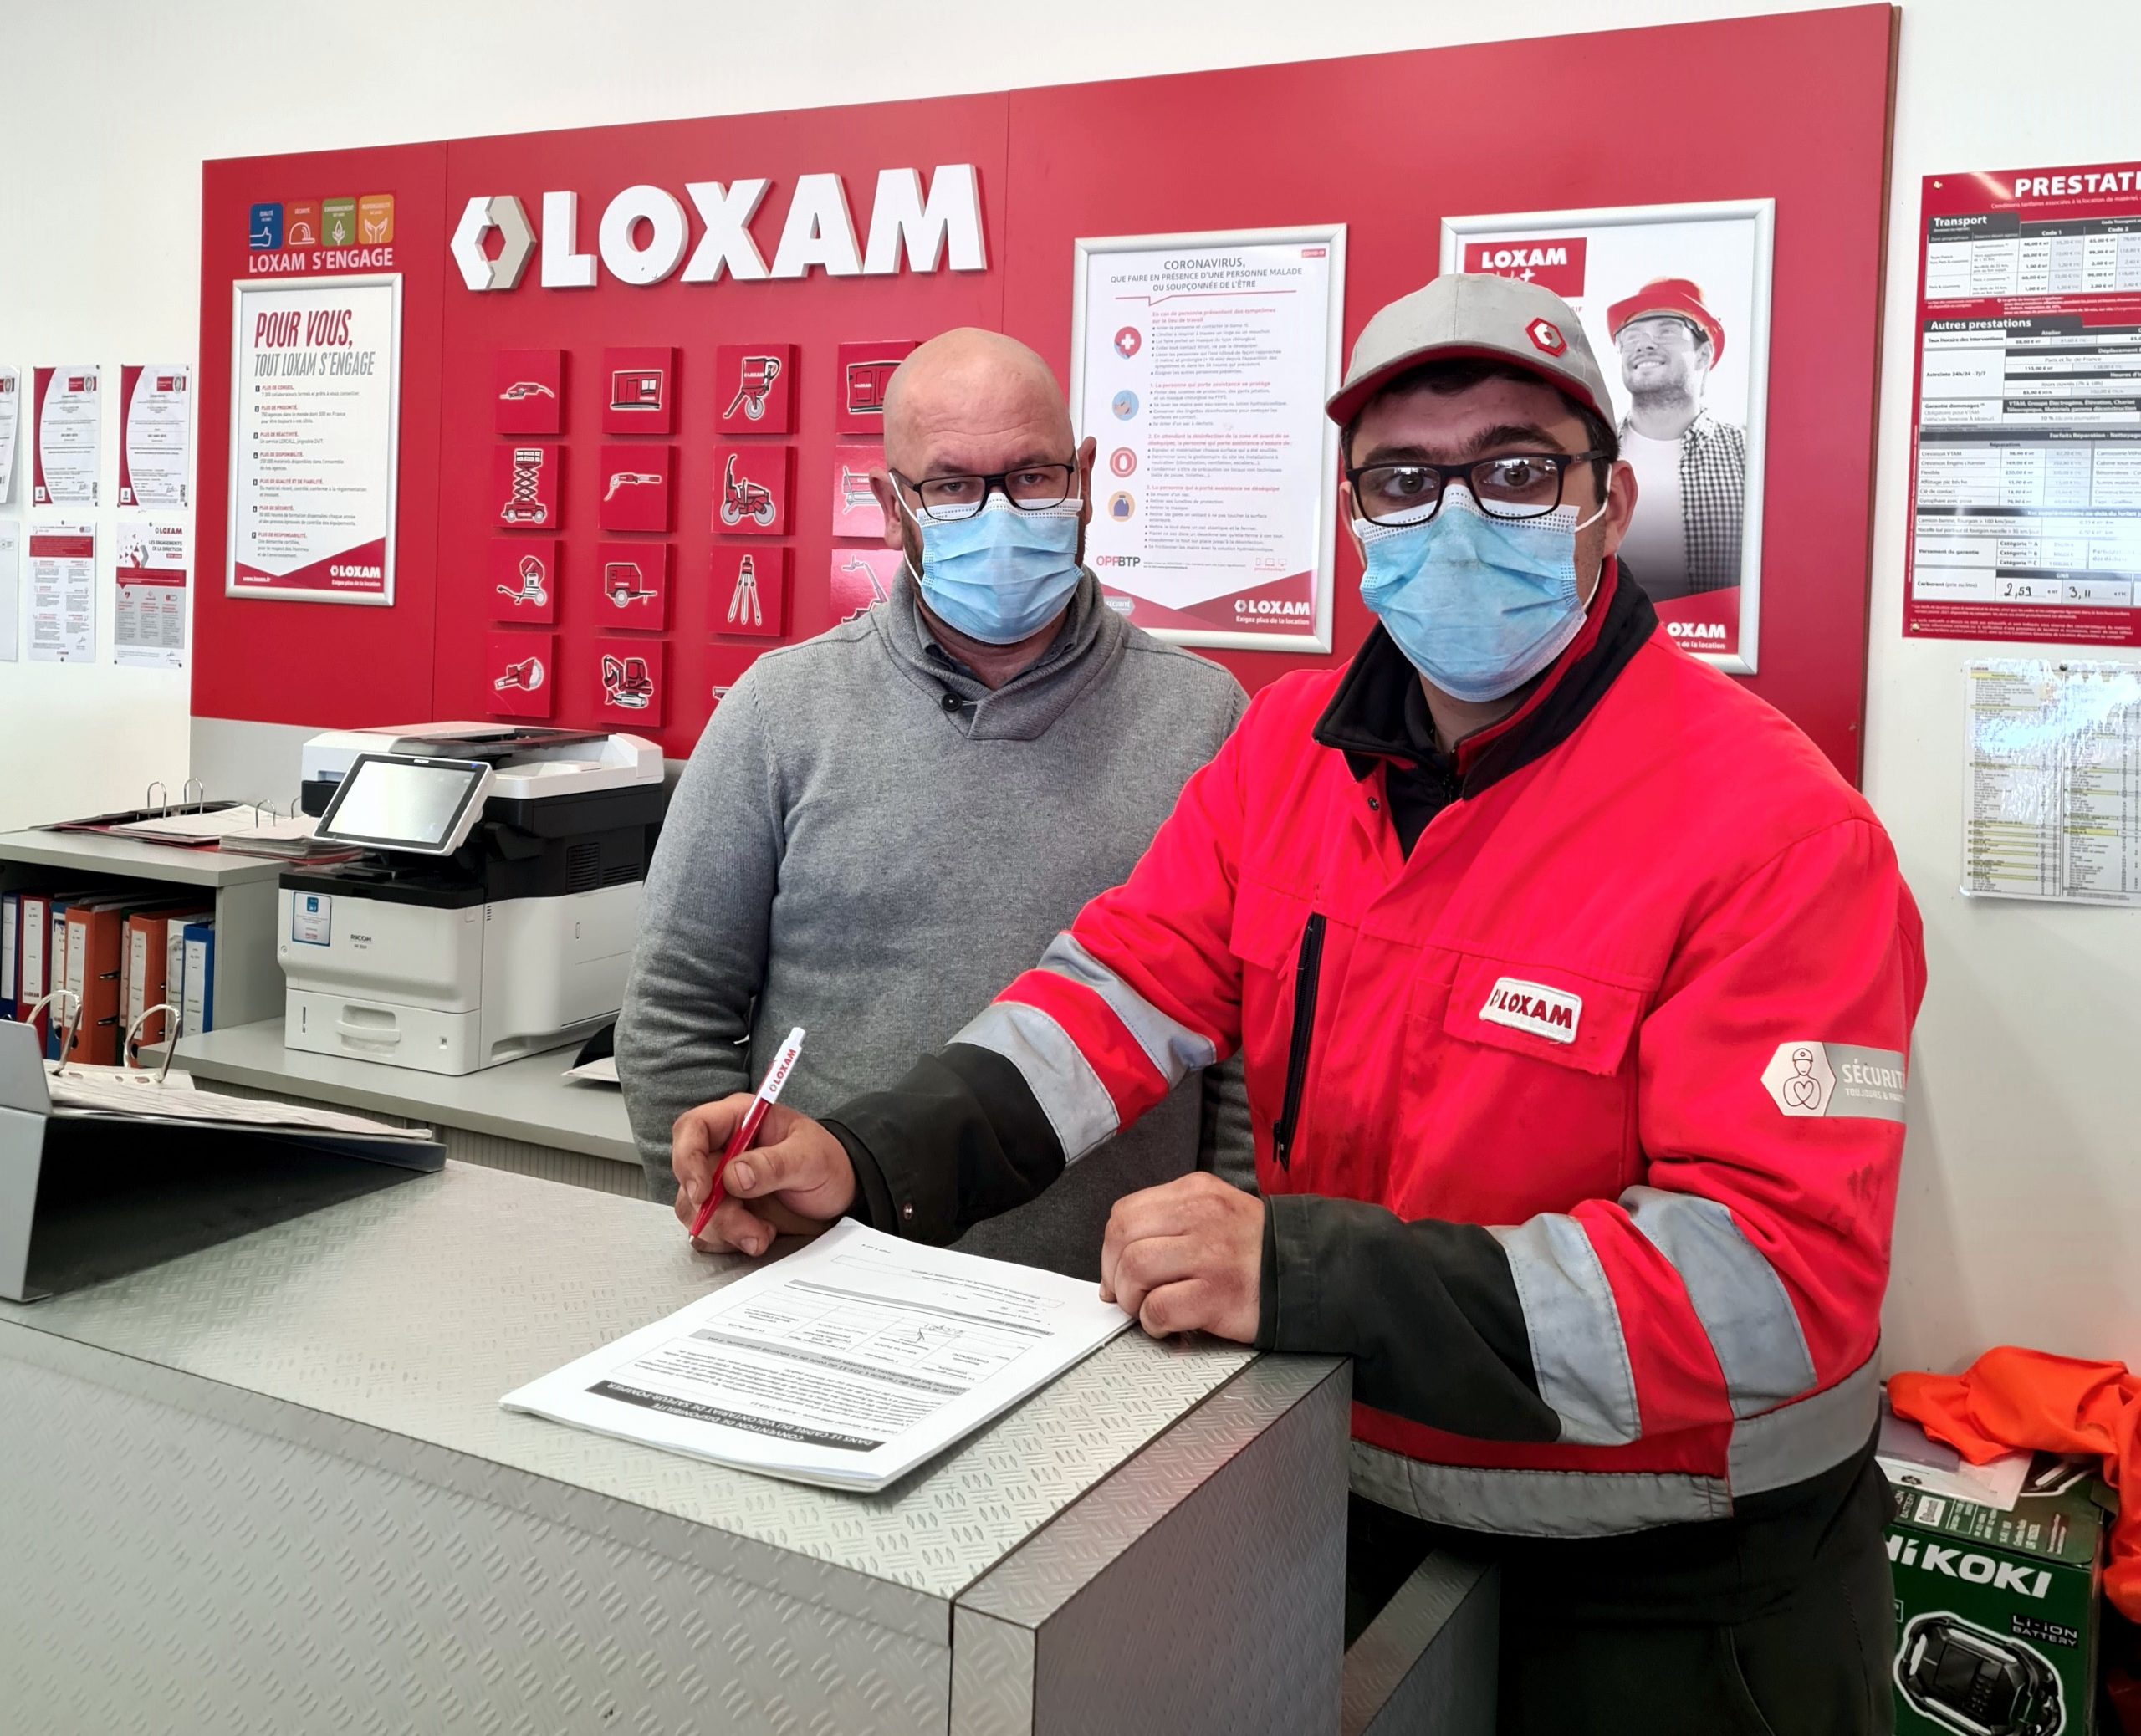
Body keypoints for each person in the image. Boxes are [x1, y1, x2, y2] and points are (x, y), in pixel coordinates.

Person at [671, 274, 1924, 1733]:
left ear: (1609, 501)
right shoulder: (1290, 755)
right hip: (1352, 1509)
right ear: (1355, 517)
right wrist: (865, 1157)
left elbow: (1775, 1286)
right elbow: (1109, 1001)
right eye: (1404, 479)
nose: (1456, 515)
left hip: (1676, 1594)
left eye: (1517, 470)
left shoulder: (1780, 831)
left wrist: (1309, 1274)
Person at [617, 328, 1252, 1279]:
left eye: (1031, 477)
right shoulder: (779, 712)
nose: (998, 514)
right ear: (889, 507)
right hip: (824, 1279)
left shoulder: (1209, 721)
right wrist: (738, 1210)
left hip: (1116, 1309)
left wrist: (1221, 1256)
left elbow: (1254, 1048)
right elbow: (674, 1010)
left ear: (1084, 480)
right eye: (951, 486)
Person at [1608, 276, 1747, 600]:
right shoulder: (1591, 454)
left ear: (1703, 354)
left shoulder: (1750, 457)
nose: (1643, 345)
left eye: (1667, 331)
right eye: (1631, 336)